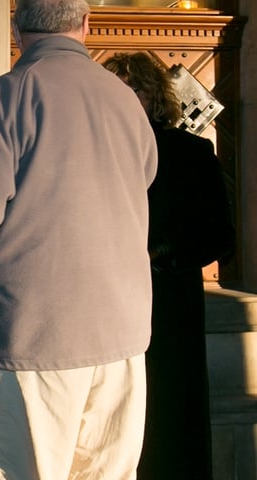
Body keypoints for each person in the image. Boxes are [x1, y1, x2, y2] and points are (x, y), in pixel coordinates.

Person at [0, 0, 158, 478]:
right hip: (120, 343)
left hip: (31, 345)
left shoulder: (6, 98)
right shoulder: (125, 101)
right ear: (86, 24)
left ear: (17, 28)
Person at [103, 52, 235, 480]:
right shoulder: (90, 155)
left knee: (171, 432)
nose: (123, 100)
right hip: (105, 314)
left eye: (133, 89)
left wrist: (160, 253)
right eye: (114, 91)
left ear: (153, 96)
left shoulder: (192, 153)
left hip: (169, 312)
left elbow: (220, 238)